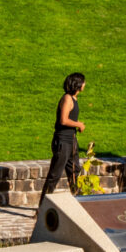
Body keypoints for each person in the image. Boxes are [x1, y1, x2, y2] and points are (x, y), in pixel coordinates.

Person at [46, 72, 88, 204]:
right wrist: (79, 124)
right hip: (63, 141)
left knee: (75, 172)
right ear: (78, 85)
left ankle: (78, 202)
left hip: (71, 141)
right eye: (83, 82)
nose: (85, 84)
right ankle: (43, 206)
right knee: (55, 175)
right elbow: (63, 120)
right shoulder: (67, 99)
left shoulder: (73, 99)